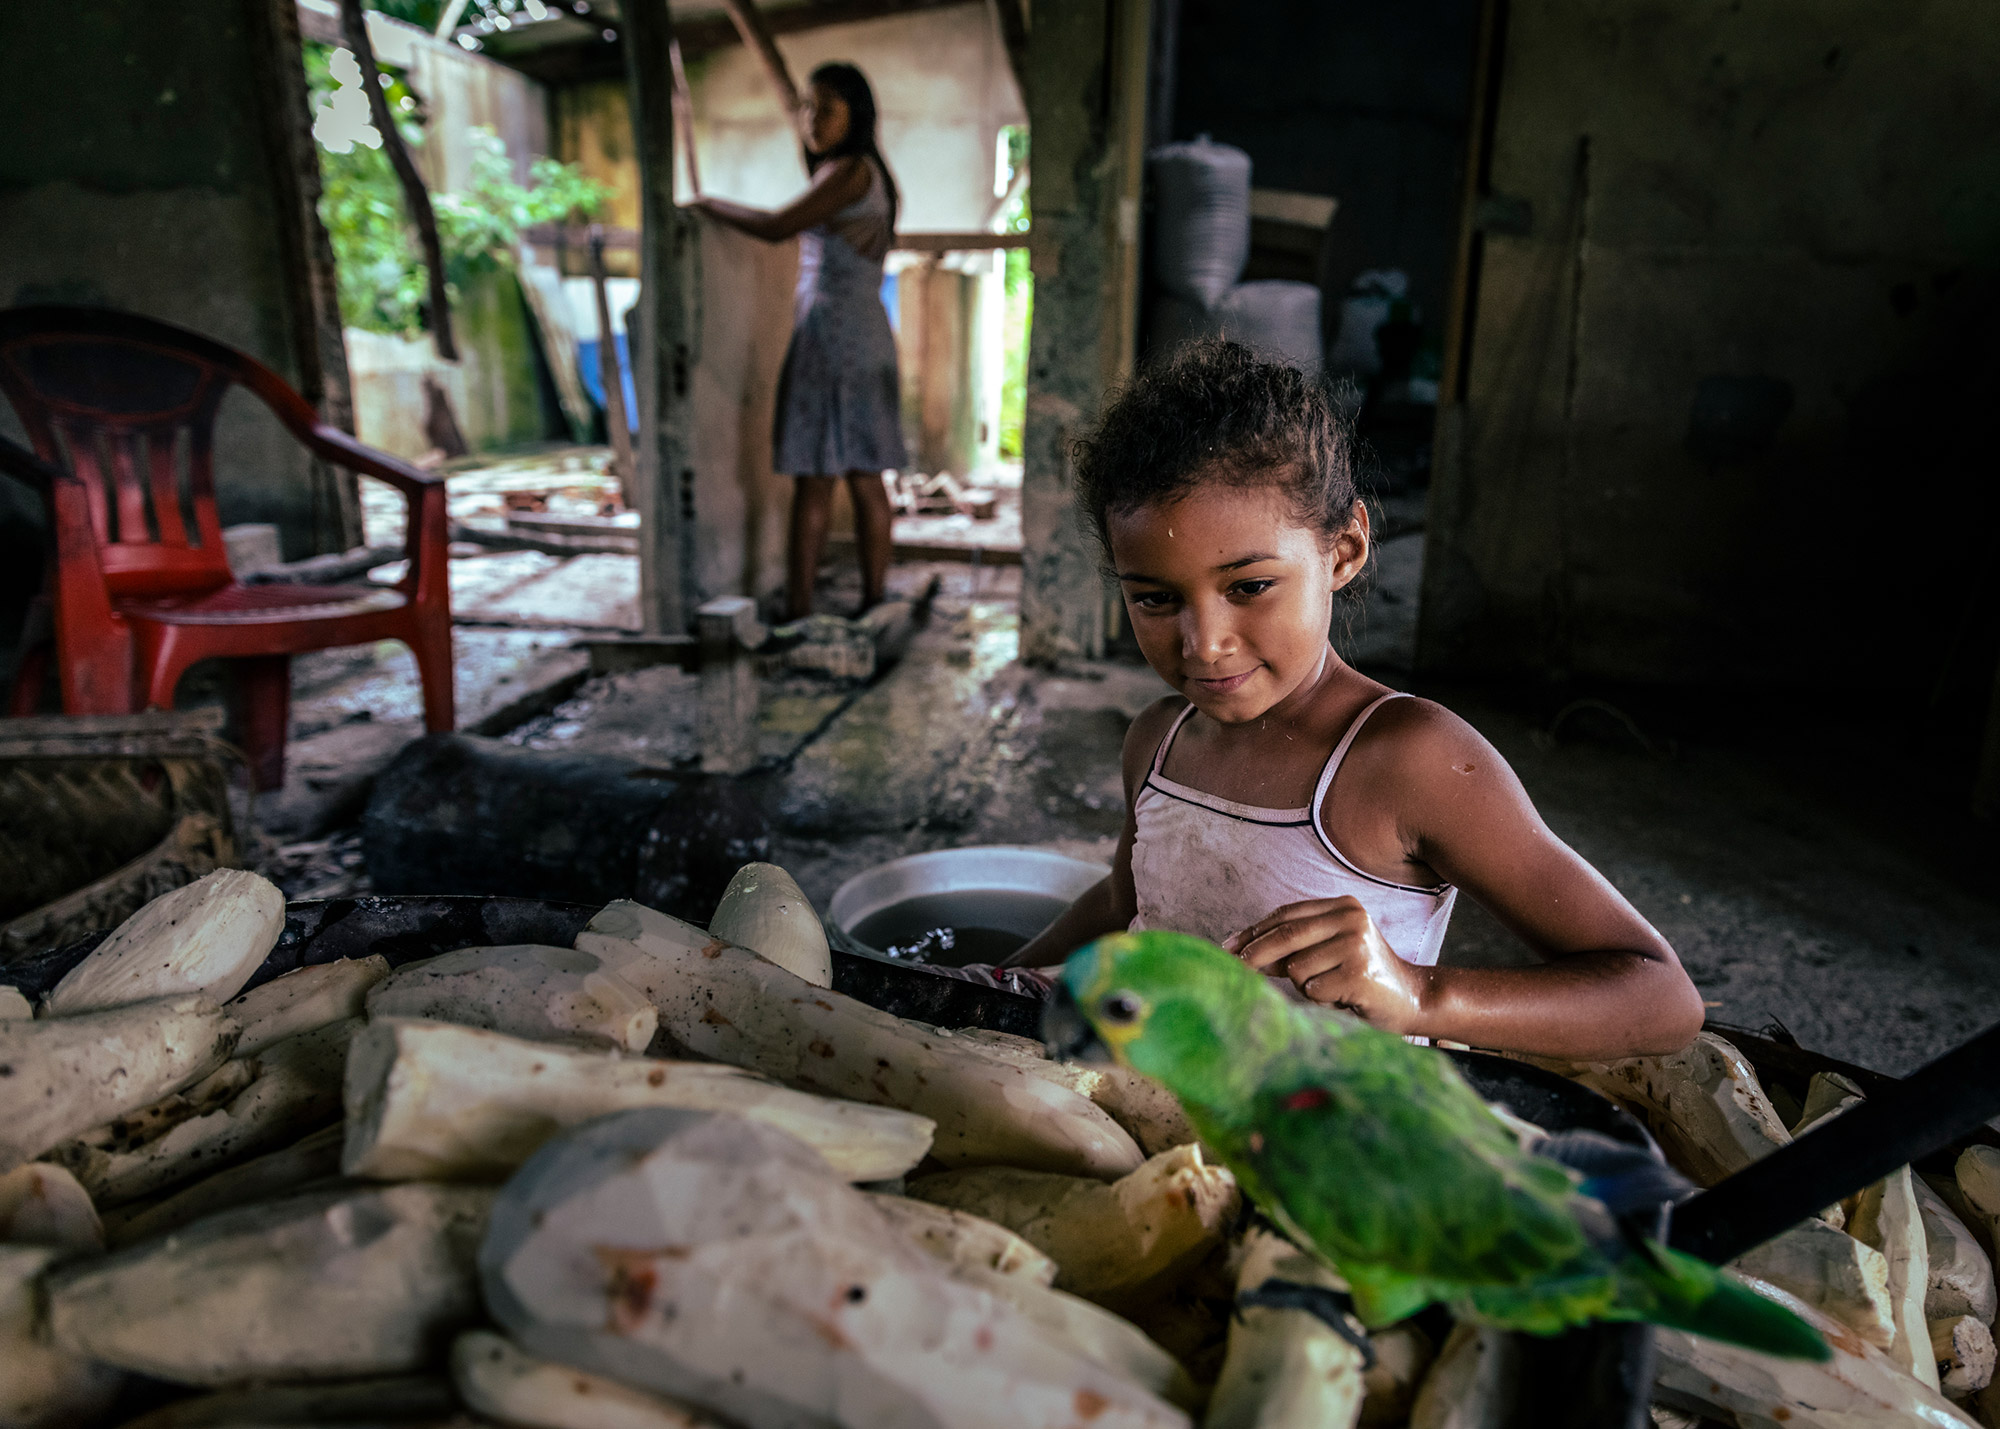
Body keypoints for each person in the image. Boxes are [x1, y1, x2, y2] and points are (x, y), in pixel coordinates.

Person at [998, 340, 1704, 1061]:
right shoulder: (1157, 740)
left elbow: (1661, 998)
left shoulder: (1409, 759)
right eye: (1155, 597)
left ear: (1342, 552)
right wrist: (996, 979)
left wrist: (1419, 995)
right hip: (1161, 1108)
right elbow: (1127, 906)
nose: (1204, 643)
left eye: (1249, 587)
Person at [693, 61, 904, 620]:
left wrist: (708, 203)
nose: (811, 119)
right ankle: (867, 604)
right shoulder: (859, 173)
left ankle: (809, 609)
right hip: (856, 331)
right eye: (808, 107)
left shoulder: (849, 172)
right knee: (857, 476)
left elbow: (776, 225)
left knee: (825, 481)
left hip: (836, 336)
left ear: (855, 116)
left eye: (826, 108)